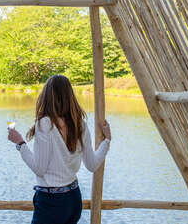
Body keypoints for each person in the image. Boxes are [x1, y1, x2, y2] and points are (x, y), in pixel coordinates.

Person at [8, 75, 111, 224]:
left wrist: (20, 144)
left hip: (52, 203)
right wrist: (106, 141)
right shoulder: (80, 124)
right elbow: (92, 165)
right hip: (74, 199)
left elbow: (39, 169)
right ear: (70, 96)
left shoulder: (45, 124)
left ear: (47, 96)